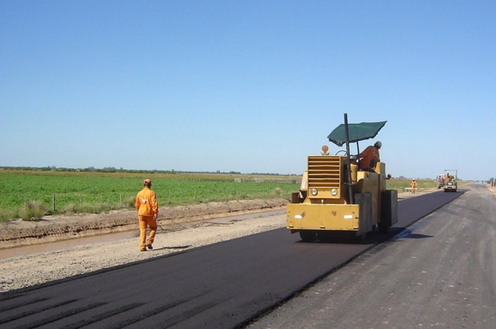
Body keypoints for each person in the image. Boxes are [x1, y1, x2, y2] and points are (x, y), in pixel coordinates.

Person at [135, 179, 159, 251]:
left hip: (141, 213)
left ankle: (142, 247)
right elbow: (154, 203)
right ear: (150, 185)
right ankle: (149, 241)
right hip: (149, 213)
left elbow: (137, 204)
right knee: (153, 228)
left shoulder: (139, 193)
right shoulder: (151, 193)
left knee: (143, 230)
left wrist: (139, 211)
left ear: (144, 184)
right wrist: (155, 212)